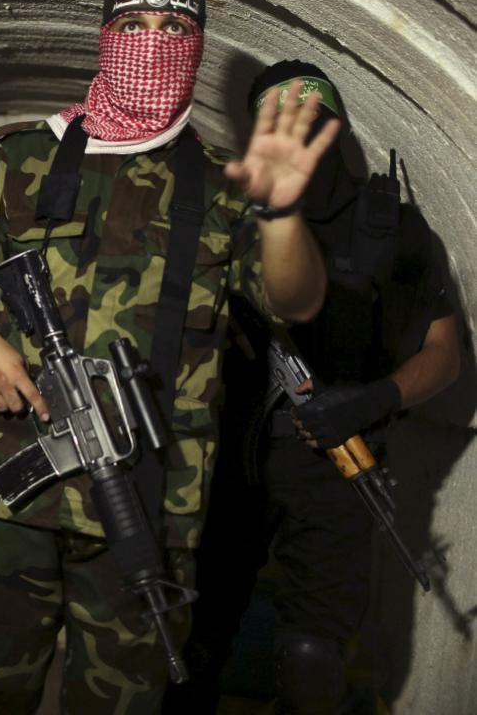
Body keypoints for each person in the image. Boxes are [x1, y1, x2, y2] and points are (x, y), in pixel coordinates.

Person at [0, 0, 338, 714]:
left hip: (151, 498)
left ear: (199, 45)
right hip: (13, 480)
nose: (153, 44)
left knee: (121, 702)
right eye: (134, 26)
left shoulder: (219, 185)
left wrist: (282, 213)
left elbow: (297, 300)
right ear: (104, 36)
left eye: (175, 28)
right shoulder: (26, 158)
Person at [164, 61, 461, 715]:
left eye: (317, 117)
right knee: (191, 637)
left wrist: (375, 398)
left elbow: (446, 354)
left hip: (338, 462)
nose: (306, 132)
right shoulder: (228, 214)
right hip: (223, 458)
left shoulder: (391, 226)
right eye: (286, 119)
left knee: (312, 652)